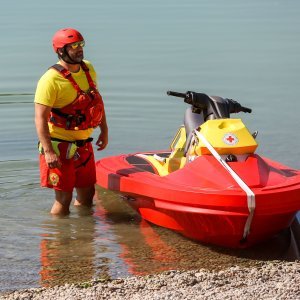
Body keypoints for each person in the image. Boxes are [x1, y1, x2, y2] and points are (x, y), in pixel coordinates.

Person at [34, 28, 108, 215]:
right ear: (60, 50)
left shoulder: (88, 68)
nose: (79, 49)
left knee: (88, 195)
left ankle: (85, 240)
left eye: (80, 44)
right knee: (64, 199)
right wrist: (49, 151)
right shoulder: (50, 80)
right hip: (60, 149)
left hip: (84, 146)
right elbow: (40, 118)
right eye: (73, 46)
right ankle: (58, 241)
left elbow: (96, 103)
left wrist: (104, 130)